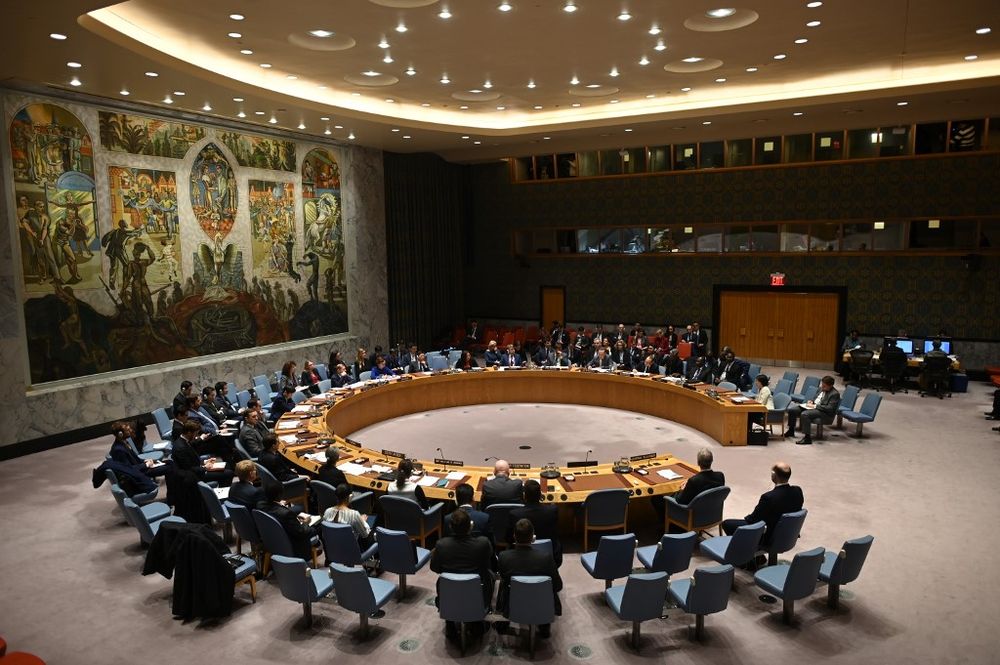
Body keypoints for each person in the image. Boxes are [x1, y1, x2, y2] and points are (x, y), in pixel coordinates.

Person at [431, 509, 497, 633]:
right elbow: (489, 562)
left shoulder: (441, 545)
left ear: (450, 527)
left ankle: (450, 621)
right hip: (479, 592)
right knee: (489, 576)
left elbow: (434, 568)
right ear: (471, 526)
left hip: (448, 595)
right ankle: (477, 620)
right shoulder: (483, 543)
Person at [496, 519, 562, 637]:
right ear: (533, 537)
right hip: (542, 604)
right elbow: (558, 586)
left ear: (514, 537)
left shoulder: (504, 557)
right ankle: (544, 626)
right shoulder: (546, 558)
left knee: (503, 582)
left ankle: (503, 622)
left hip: (513, 603)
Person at [720, 462, 803, 548]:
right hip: (789, 533)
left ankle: (747, 557)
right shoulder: (798, 491)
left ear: (773, 475)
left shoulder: (769, 497)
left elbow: (753, 520)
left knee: (727, 524)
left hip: (770, 536)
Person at [256, 480, 316, 561]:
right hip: (292, 543)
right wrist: (306, 522)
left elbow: (276, 511)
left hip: (271, 539)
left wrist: (280, 506)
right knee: (317, 527)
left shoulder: (260, 505)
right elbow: (301, 532)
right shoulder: (286, 514)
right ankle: (313, 551)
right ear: (279, 495)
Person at [508, 480, 561, 566]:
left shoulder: (515, 514)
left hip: (520, 557)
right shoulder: (552, 511)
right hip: (548, 557)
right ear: (540, 495)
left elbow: (509, 538)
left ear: (524, 496)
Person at [172, 421, 233, 486]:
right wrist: (205, 467)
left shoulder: (184, 440)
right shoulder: (181, 448)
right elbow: (188, 469)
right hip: (196, 475)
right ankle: (220, 493)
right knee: (229, 473)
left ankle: (222, 488)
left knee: (227, 465)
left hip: (198, 467)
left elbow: (192, 460)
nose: (196, 436)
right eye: (195, 434)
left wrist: (205, 461)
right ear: (189, 433)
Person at [784, 375, 840, 445]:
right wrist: (811, 401)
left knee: (805, 414)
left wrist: (815, 406)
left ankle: (807, 438)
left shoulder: (835, 394)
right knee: (792, 410)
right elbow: (816, 399)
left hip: (823, 412)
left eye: (824, 386)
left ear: (831, 386)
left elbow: (830, 408)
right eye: (822, 385)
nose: (822, 387)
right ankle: (791, 430)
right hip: (813, 407)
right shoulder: (820, 389)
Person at [323, 483, 374, 549]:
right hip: (351, 552)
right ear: (350, 497)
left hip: (332, 550)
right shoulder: (354, 514)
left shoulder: (327, 512)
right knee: (372, 528)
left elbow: (324, 535)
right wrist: (362, 521)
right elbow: (365, 534)